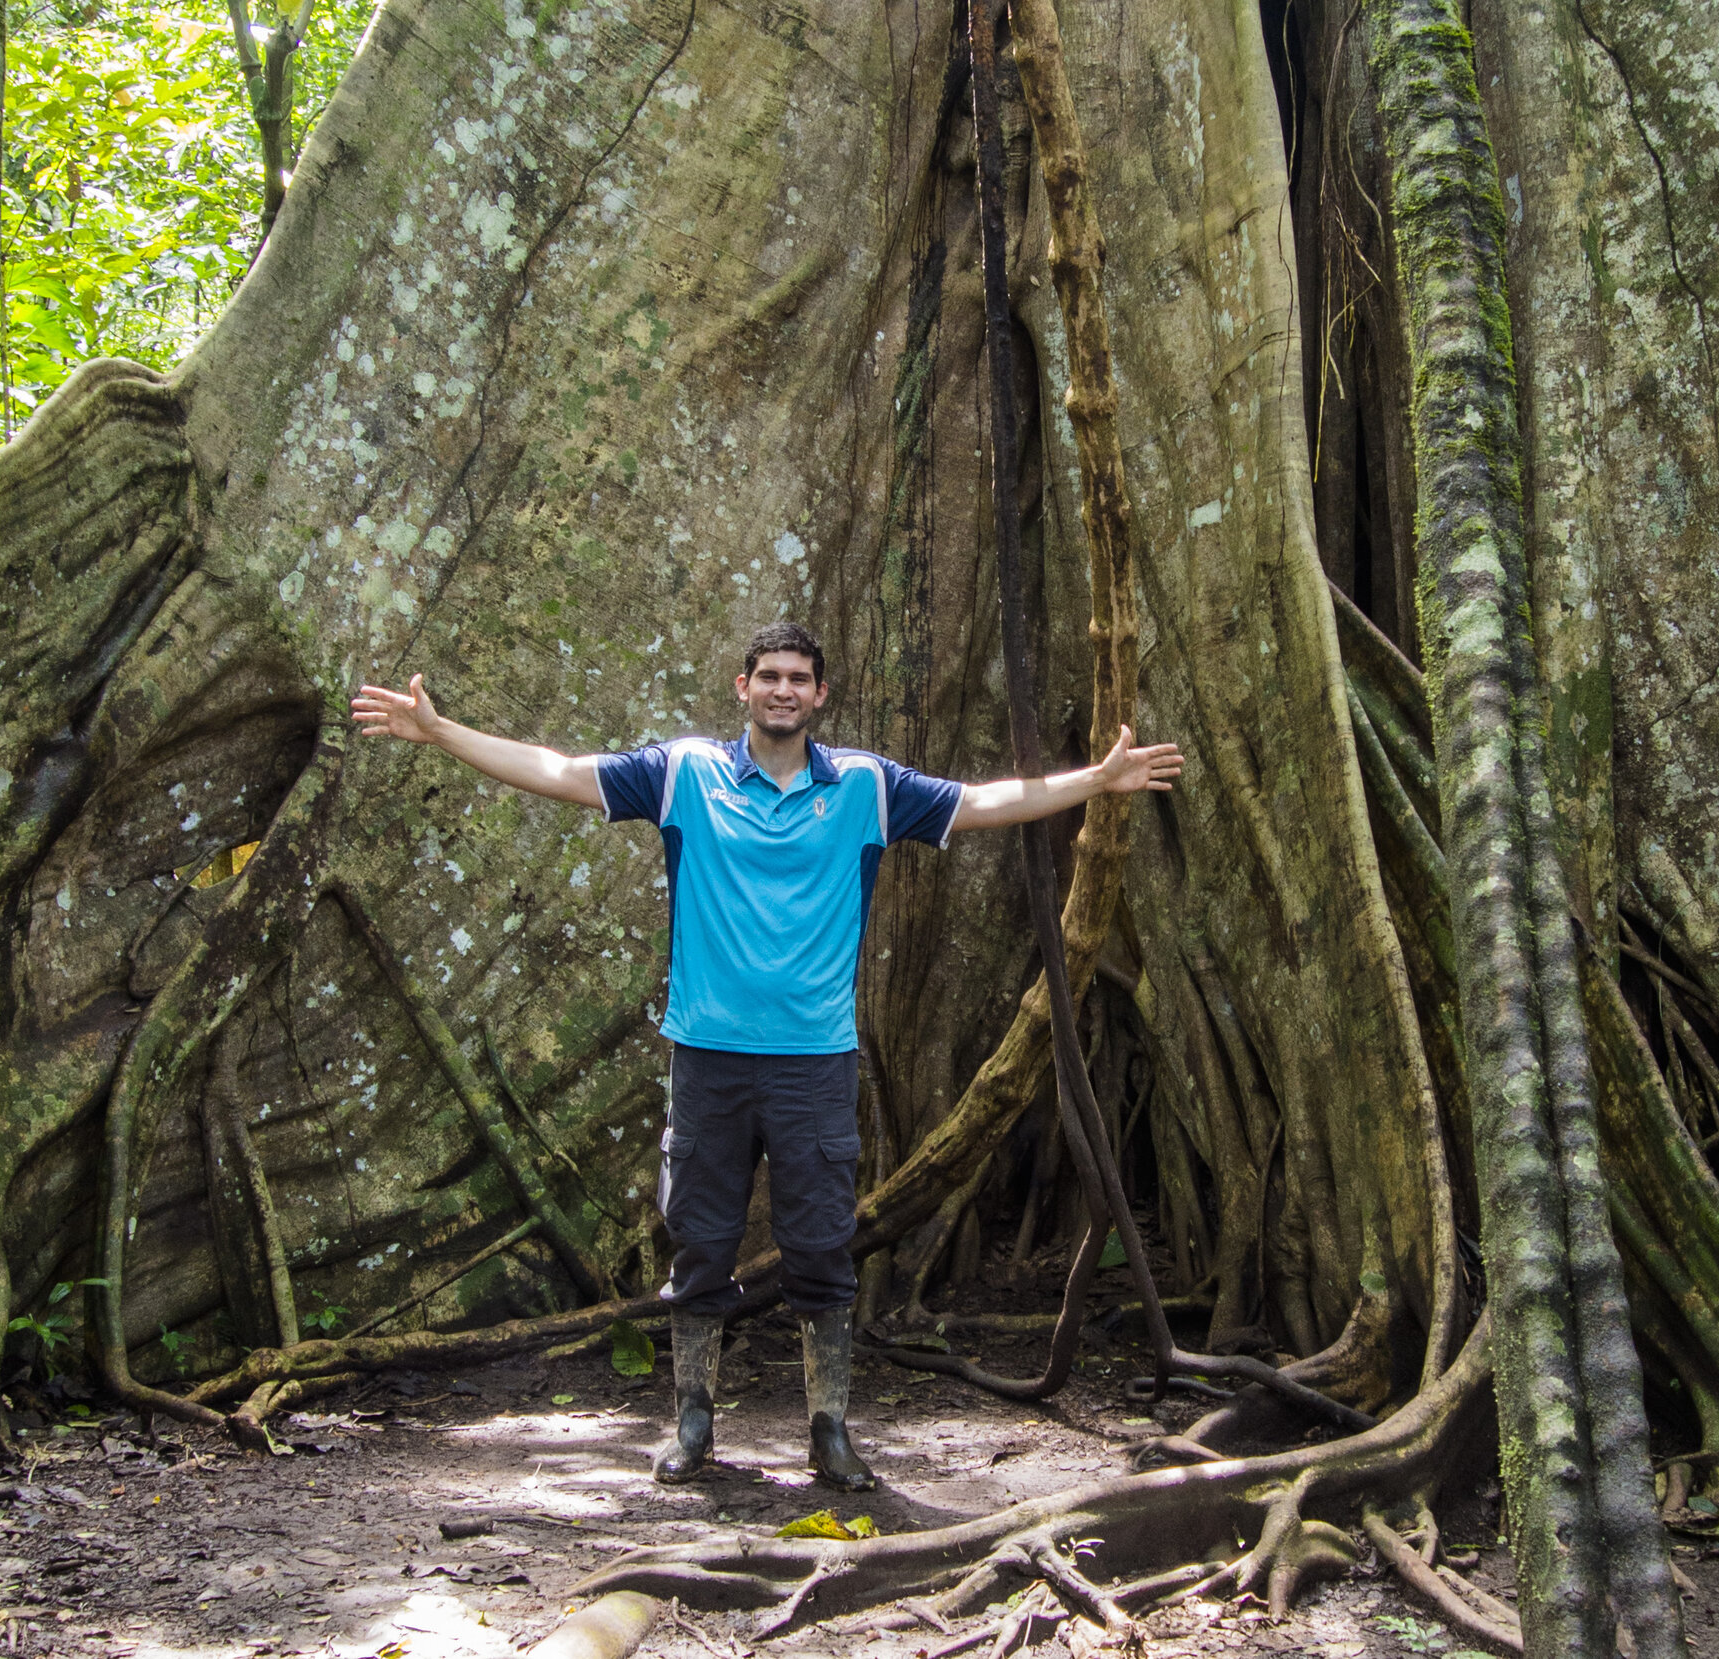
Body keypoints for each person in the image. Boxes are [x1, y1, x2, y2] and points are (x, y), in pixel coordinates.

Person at [352, 620, 1182, 1490]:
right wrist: (441, 732)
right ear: (741, 686)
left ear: (821, 695)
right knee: (700, 1243)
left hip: (815, 1062)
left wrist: (1099, 780)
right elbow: (560, 769)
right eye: (769, 676)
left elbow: (981, 802)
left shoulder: (864, 785)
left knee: (821, 1246)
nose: (784, 689)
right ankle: (693, 1424)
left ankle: (828, 1429)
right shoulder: (683, 773)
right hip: (707, 1058)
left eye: (800, 678)